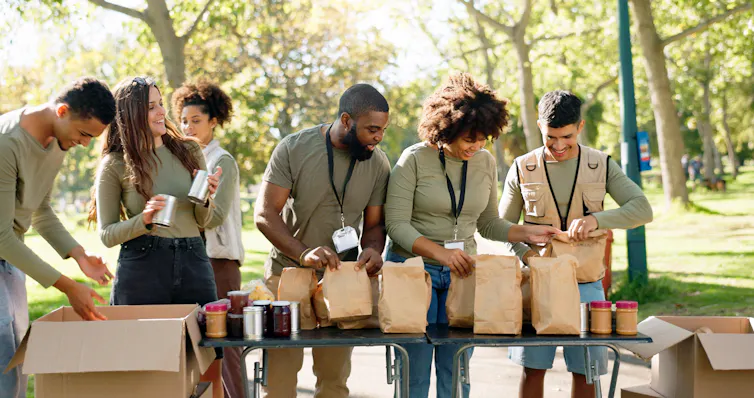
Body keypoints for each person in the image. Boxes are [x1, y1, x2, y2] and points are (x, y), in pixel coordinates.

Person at [384, 73, 560, 398]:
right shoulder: (414, 160)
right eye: (469, 139)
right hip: (413, 272)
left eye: (483, 139)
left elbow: (489, 223)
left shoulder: (485, 163)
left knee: (457, 370)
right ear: (446, 128)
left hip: (461, 274)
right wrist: (441, 254)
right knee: (415, 373)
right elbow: (396, 225)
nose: (476, 146)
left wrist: (527, 232)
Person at [498, 90, 653, 398]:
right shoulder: (521, 167)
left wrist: (597, 219)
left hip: (587, 284)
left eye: (566, 137)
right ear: (540, 125)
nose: (558, 146)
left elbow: (642, 209)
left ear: (580, 127)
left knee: (586, 370)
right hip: (537, 282)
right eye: (550, 137)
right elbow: (502, 227)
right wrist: (527, 255)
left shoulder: (602, 164)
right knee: (533, 368)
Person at [89, 76, 224, 396]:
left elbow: (205, 220)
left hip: (193, 259)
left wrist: (206, 197)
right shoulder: (115, 164)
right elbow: (107, 234)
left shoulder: (190, 151)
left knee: (208, 357)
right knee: (140, 364)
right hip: (142, 266)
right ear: (131, 114)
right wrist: (144, 220)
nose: (162, 111)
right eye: (151, 107)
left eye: (161, 103)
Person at [254, 83, 391, 398]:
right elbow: (264, 214)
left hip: (340, 279)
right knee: (279, 379)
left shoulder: (378, 162)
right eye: (372, 129)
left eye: (382, 130)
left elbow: (374, 224)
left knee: (333, 380)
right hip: (287, 276)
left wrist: (372, 249)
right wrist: (303, 254)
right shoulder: (293, 148)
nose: (378, 137)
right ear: (346, 120)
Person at [0, 77, 116, 397]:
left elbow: (41, 211)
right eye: (84, 134)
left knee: (18, 359)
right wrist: (67, 286)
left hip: (11, 258)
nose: (85, 144)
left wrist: (80, 256)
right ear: (62, 110)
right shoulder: (7, 142)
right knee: (2, 360)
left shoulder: (58, 141)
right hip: (5, 246)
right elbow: (0, 236)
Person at [173, 79, 245, 398]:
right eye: (184, 121)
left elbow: (214, 216)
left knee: (227, 350)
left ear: (213, 121)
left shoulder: (221, 161)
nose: (188, 127)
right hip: (192, 262)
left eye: (196, 121)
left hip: (220, 264)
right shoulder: (183, 160)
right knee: (197, 350)